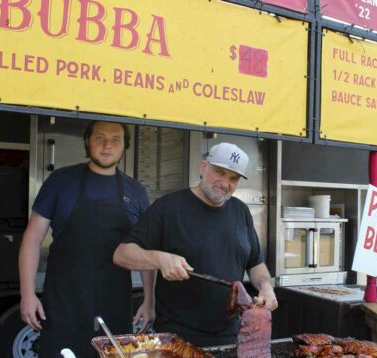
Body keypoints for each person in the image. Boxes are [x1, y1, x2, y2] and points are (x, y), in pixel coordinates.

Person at [113, 142, 278, 347]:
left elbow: (255, 263)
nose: (225, 183)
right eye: (219, 172)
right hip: (177, 338)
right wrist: (159, 258)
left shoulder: (241, 212)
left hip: (230, 336)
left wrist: (266, 286)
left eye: (233, 178)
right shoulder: (169, 207)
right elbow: (122, 254)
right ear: (203, 168)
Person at [19, 120, 155, 358]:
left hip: (115, 302)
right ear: (87, 141)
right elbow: (32, 238)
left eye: (115, 140)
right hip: (64, 303)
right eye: (99, 138)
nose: (107, 146)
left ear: (124, 146)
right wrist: (27, 294)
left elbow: (146, 251)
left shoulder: (136, 191)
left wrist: (149, 300)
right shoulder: (61, 181)